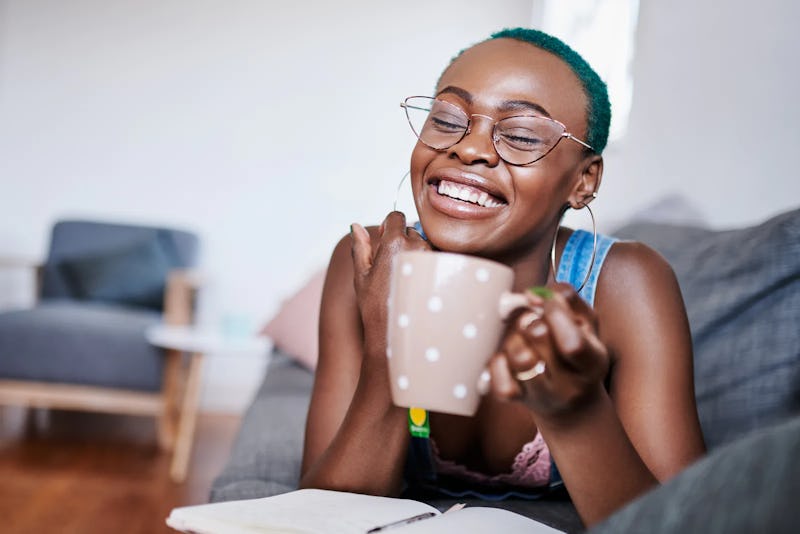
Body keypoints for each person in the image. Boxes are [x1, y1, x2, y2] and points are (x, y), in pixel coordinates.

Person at [299, 27, 706, 527]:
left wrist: (574, 411)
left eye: (518, 135)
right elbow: (316, 517)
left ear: (583, 181)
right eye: (447, 121)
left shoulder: (628, 284)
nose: (468, 149)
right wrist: (388, 349)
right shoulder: (364, 260)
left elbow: (683, 522)